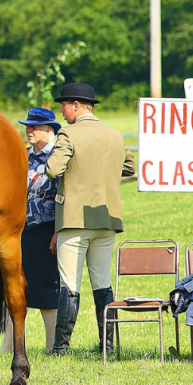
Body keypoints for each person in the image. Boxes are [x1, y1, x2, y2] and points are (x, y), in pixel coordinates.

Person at [45, 83, 136, 355]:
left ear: (76, 105)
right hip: (107, 220)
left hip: (73, 219)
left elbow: (52, 170)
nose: (61, 110)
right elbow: (130, 167)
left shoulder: (68, 134)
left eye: (63, 105)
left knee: (69, 284)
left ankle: (60, 348)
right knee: (102, 283)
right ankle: (107, 346)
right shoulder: (114, 134)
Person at [0, 107, 62, 353]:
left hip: (47, 229)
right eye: (27, 126)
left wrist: (59, 230)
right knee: (12, 285)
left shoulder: (59, 156)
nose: (29, 130)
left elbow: (64, 195)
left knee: (47, 287)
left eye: (35, 126)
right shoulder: (21, 156)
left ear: (49, 130)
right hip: (18, 230)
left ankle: (51, 345)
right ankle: (8, 345)